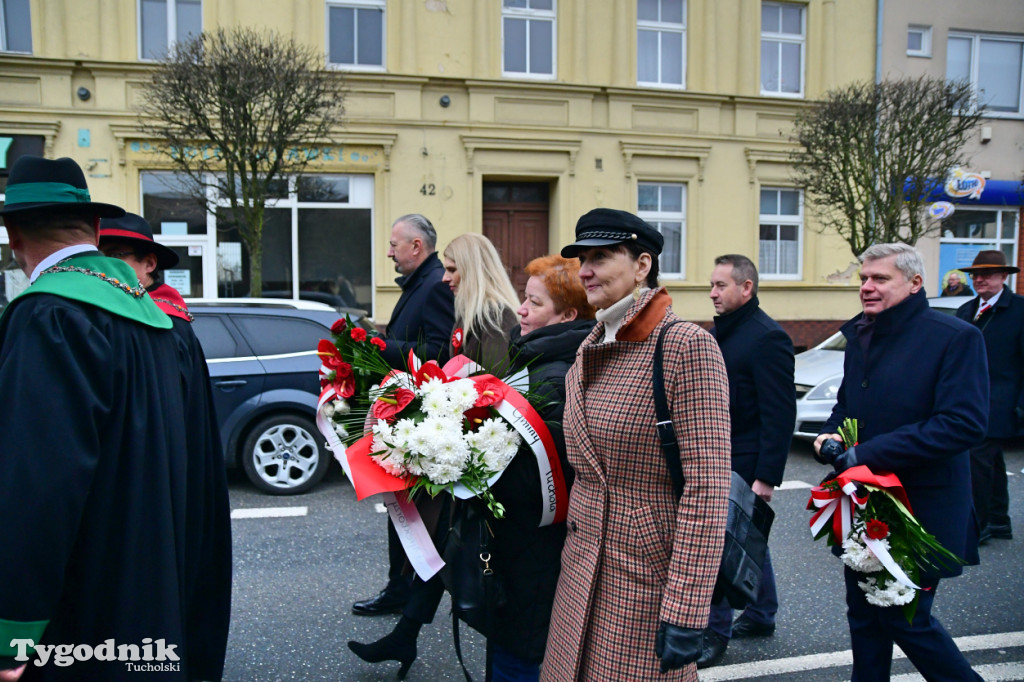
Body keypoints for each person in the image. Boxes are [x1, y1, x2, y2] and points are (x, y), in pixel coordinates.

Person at [0, 156, 227, 681]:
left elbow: (37, 486)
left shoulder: (50, 315)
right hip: (150, 586)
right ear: (96, 229)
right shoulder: (156, 322)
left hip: (81, 603)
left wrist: (14, 632)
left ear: (14, 235)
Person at [541, 208, 731, 681]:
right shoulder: (590, 342)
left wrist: (686, 609)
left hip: (647, 579)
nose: (585, 270)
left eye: (601, 257)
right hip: (581, 568)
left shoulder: (686, 346)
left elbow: (707, 489)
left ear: (642, 265)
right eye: (582, 258)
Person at [348, 232, 519, 678]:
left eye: (453, 268)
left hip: (482, 460)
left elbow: (493, 397)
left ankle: (414, 636)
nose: (445, 279)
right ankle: (405, 635)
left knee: (454, 548)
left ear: (475, 270)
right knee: (446, 546)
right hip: (465, 452)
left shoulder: (495, 319)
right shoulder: (474, 317)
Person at [814, 243, 987, 682]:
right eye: (863, 279)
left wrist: (866, 454)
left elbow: (962, 424)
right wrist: (833, 433)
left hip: (922, 510)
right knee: (865, 618)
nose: (867, 288)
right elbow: (847, 407)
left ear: (914, 283)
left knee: (905, 618)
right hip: (866, 509)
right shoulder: (859, 334)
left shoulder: (956, 337)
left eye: (879, 279)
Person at [98, 213, 233, 678]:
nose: (106, 270)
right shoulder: (137, 316)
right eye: (100, 258)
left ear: (149, 264)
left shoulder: (161, 323)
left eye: (117, 259)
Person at [482, 255, 596, 680]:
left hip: (535, 542)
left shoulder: (556, 374)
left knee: (519, 653)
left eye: (534, 303)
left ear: (567, 315)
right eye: (524, 299)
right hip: (526, 541)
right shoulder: (537, 358)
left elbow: (540, 476)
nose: (521, 311)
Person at [352, 213, 456, 618]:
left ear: (417, 246)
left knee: (414, 510)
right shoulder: (423, 282)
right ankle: (403, 589)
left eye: (395, 244)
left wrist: (382, 346)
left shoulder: (434, 286)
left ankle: (408, 591)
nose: (390, 251)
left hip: (419, 414)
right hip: (405, 409)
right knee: (403, 507)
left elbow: (439, 352)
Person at [699, 254, 794, 668]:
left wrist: (766, 477)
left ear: (746, 288)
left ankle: (715, 632)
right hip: (722, 454)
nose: (713, 293)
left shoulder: (766, 337)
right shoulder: (725, 332)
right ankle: (760, 612)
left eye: (721, 286)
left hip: (744, 460)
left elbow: (780, 413)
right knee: (746, 541)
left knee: (719, 544)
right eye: (712, 285)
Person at [955, 250, 1021, 544]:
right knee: (991, 462)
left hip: (1001, 402)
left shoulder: (1019, 311)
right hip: (970, 400)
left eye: (988, 274)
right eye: (975, 274)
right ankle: (998, 521)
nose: (979, 279)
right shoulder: (966, 310)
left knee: (977, 462)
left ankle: (976, 528)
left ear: (1004, 277)